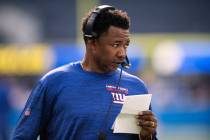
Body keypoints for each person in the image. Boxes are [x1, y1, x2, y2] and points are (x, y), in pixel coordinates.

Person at [11, 5, 157, 140]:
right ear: (91, 42)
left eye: (126, 45)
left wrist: (146, 137)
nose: (122, 53)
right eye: (116, 44)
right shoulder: (53, 83)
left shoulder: (137, 87)